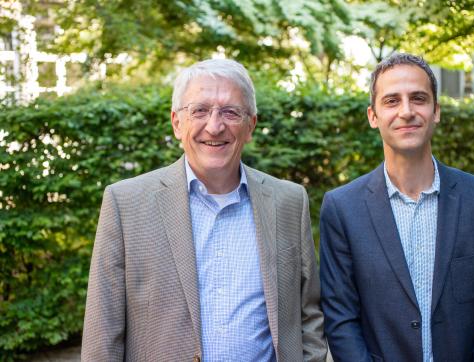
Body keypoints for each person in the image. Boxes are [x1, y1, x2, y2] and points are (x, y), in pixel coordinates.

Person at [82, 58, 327, 362]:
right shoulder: (125, 203)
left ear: (250, 125)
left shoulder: (289, 201)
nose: (215, 125)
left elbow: (308, 313)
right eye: (199, 110)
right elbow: (103, 330)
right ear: (176, 123)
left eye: (230, 112)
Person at [319, 53, 474, 362]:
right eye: (391, 101)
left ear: (436, 111)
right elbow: (341, 318)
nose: (407, 111)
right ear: (373, 116)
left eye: (419, 98)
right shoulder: (342, 208)